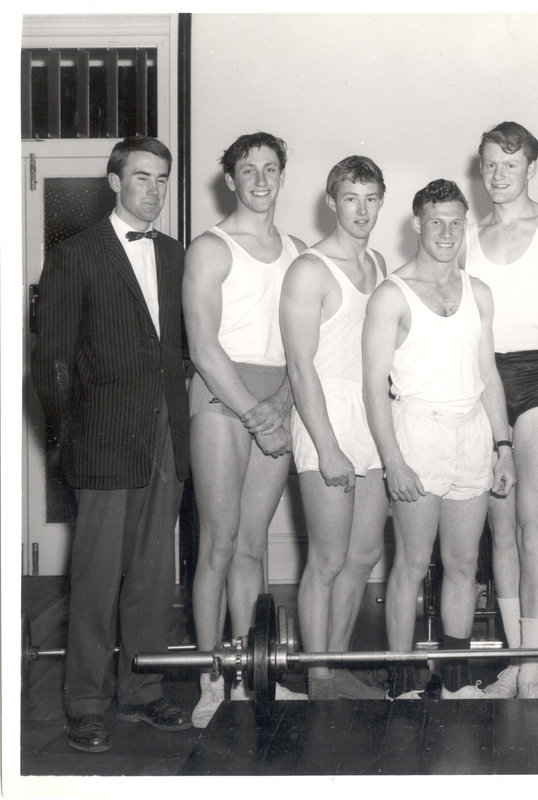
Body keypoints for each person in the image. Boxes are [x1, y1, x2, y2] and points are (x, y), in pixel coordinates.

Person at [32, 136, 192, 752]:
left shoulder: (176, 255)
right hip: (101, 437)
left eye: (161, 180)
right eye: (142, 178)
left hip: (164, 435)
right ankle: (86, 703)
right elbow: (51, 363)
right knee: (97, 577)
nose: (153, 190)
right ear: (114, 181)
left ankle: (143, 690)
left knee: (153, 573)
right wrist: (70, 440)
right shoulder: (75, 254)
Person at [362, 179, 516, 700]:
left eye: (455, 222)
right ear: (416, 225)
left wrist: (503, 446)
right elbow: (372, 387)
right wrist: (394, 461)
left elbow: (489, 374)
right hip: (417, 432)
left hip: (471, 431)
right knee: (410, 562)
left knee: (464, 563)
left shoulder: (478, 292)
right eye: (436, 222)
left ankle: (453, 677)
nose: (446, 232)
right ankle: (402, 679)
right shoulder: (392, 294)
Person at [184, 132, 308, 727]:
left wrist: (282, 401)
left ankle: (252, 674)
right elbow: (205, 348)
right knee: (219, 540)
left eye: (270, 169)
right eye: (247, 170)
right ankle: (212, 677)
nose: (260, 180)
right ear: (229, 180)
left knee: (253, 547)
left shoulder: (298, 251)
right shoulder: (209, 249)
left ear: (283, 177)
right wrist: (256, 414)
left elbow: (301, 348)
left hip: (276, 396)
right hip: (220, 397)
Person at [462, 122, 538, 699]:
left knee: (536, 526)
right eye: (489, 164)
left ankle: (534, 668)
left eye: (509, 165)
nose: (497, 175)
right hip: (484, 381)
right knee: (501, 529)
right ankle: (516, 660)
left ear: (532, 168)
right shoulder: (463, 233)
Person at [279, 156, 390, 700]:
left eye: (371, 198)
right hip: (325, 414)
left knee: (363, 554)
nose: (362, 209)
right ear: (332, 202)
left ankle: (335, 663)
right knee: (326, 558)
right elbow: (300, 366)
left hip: (372, 415)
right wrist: (325, 445)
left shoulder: (381, 264)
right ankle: (317, 677)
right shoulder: (309, 268)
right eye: (351, 198)